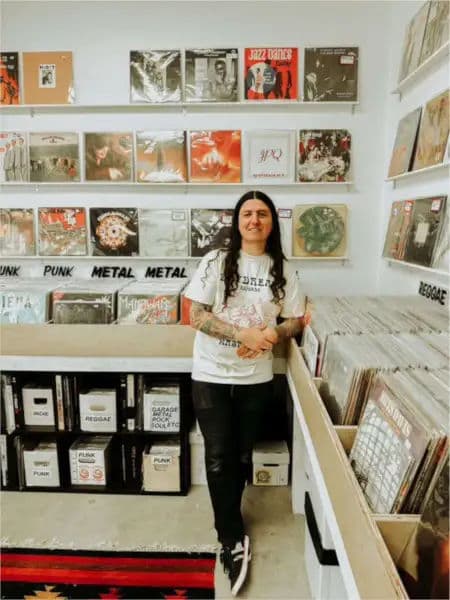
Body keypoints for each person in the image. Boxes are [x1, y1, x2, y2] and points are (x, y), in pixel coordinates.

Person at [184, 190, 305, 596]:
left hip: (255, 377)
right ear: (237, 221)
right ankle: (229, 536)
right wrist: (241, 332)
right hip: (211, 374)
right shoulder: (216, 261)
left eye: (263, 214)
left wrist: (272, 333)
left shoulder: (284, 269)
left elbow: (295, 320)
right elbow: (194, 314)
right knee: (218, 456)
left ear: (272, 223)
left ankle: (230, 518)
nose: (255, 220)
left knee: (240, 454)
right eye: (248, 213)